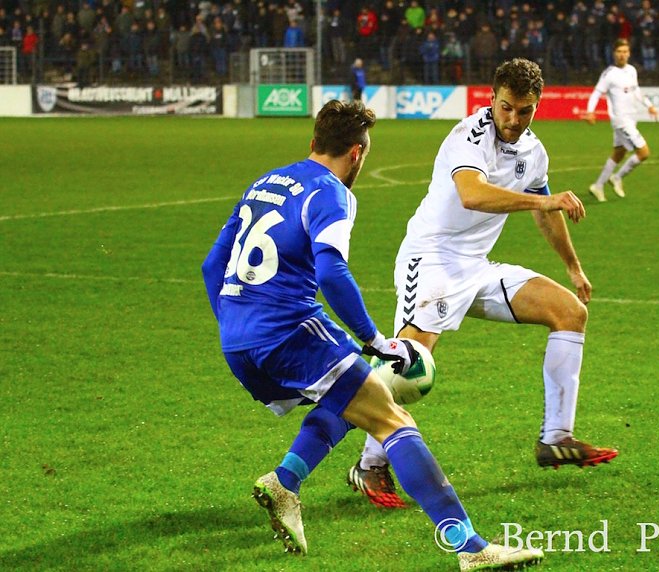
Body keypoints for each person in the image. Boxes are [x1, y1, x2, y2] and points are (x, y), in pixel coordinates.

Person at [201, 100, 542, 571]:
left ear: (313, 142)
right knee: (394, 421)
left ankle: (285, 482)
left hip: (236, 339)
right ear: (358, 153)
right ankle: (471, 549)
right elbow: (332, 272)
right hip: (289, 330)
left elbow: (211, 265)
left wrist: (235, 322)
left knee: (350, 396)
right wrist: (376, 340)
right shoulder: (332, 192)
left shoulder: (265, 182)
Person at [345, 58, 618, 510]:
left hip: (476, 266)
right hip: (430, 259)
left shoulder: (534, 152)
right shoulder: (468, 137)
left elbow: (542, 212)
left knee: (569, 311)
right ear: (492, 98)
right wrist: (544, 197)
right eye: (507, 107)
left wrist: (573, 266)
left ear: (536, 107)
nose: (513, 120)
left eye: (524, 111)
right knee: (411, 365)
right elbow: (472, 194)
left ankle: (555, 437)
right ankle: (370, 464)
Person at [583, 39, 658, 203]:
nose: (622, 55)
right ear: (614, 54)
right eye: (619, 52)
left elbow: (636, 90)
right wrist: (590, 112)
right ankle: (617, 177)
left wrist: (649, 105)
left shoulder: (632, 70)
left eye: (625, 51)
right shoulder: (609, 74)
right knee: (644, 153)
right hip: (621, 121)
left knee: (619, 153)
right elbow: (596, 93)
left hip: (632, 118)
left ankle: (598, 185)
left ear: (629, 53)